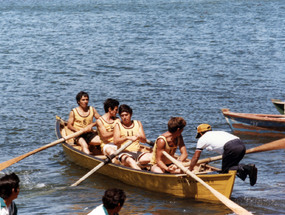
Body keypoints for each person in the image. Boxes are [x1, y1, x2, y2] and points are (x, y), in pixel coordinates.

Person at [189, 124, 257, 186]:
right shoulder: (220, 132)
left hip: (230, 147)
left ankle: (248, 168)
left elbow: (196, 157)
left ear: (200, 133)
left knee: (226, 171)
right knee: (233, 167)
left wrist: (190, 169)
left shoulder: (202, 139)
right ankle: (247, 170)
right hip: (241, 145)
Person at [113, 104, 152, 170]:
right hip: (124, 154)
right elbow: (116, 142)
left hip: (137, 153)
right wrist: (127, 138)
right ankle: (141, 174)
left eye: (126, 115)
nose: (124, 117)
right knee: (130, 161)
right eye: (122, 116)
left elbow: (144, 141)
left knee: (153, 157)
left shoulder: (138, 123)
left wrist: (140, 137)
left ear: (130, 115)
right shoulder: (118, 125)